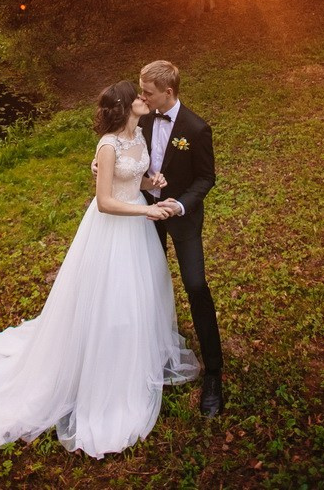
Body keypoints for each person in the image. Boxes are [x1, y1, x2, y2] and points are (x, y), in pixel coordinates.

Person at [0, 80, 199, 463]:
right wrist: (146, 208)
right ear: (127, 105)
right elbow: (106, 200)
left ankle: (135, 353)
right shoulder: (108, 144)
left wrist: (151, 182)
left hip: (137, 228)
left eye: (146, 95)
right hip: (113, 226)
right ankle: (99, 366)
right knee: (109, 297)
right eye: (138, 96)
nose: (144, 99)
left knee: (137, 294)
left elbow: (135, 176)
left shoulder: (138, 132)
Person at [138, 60, 224, 416]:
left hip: (181, 218)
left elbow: (206, 178)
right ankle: (150, 352)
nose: (141, 96)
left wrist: (180, 205)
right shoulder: (142, 117)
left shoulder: (196, 128)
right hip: (144, 214)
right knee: (146, 282)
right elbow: (124, 151)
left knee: (196, 284)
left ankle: (214, 373)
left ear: (168, 93)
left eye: (147, 91)